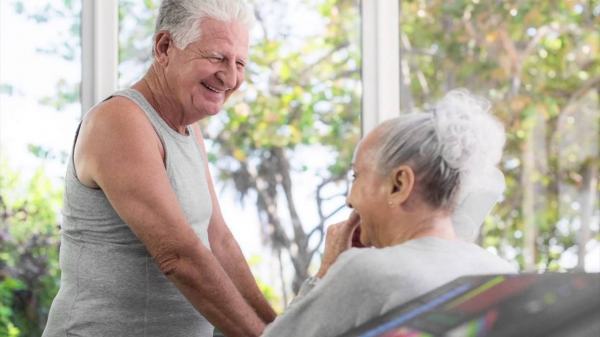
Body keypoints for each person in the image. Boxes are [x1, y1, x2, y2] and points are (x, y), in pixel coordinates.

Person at [42, 1, 276, 336]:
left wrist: (280, 327)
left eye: (240, 63)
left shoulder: (189, 129)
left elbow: (219, 240)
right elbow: (179, 257)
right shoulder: (120, 121)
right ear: (164, 47)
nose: (231, 76)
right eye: (217, 57)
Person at [261, 89, 517, 337]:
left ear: (399, 185)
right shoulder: (501, 273)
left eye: (356, 176)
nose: (350, 200)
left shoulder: (368, 272)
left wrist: (327, 270)